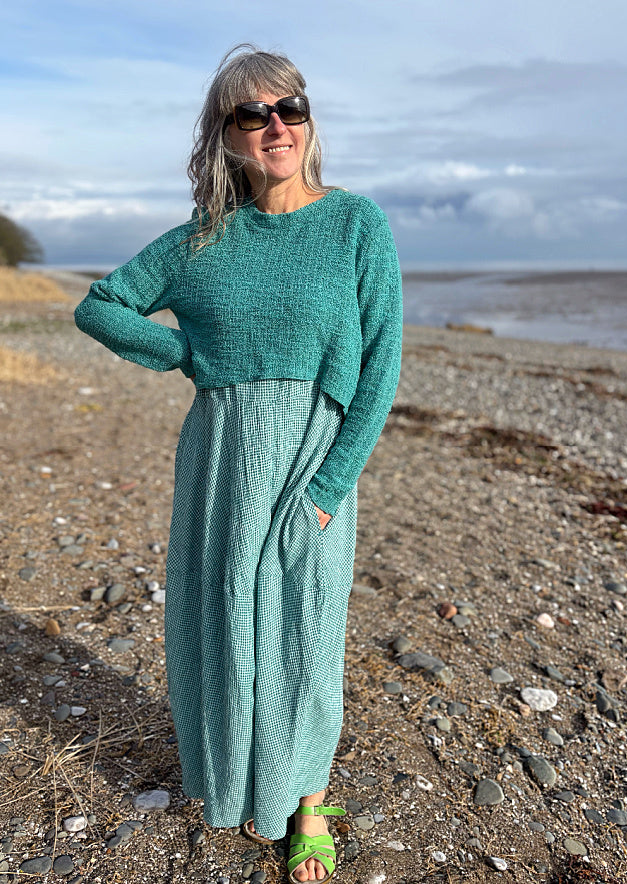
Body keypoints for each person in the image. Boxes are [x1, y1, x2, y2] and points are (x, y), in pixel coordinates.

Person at [73, 43, 403, 884]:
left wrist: (331, 487)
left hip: (311, 461)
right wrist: (183, 352)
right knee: (224, 622)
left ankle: (307, 804)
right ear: (226, 136)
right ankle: (241, 786)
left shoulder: (355, 223)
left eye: (289, 107)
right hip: (222, 460)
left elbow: (380, 366)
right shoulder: (201, 240)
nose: (276, 125)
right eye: (252, 114)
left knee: (304, 626)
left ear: (309, 119)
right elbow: (100, 304)